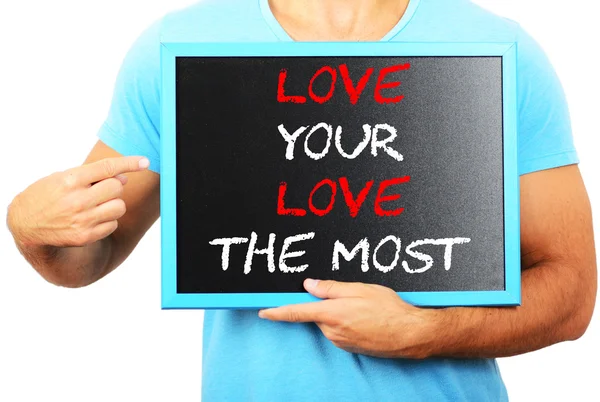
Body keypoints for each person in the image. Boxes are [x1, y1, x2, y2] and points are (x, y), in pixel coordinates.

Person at [6, 0, 597, 400]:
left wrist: (424, 332)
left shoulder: (495, 48)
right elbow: (89, 258)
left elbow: (571, 294)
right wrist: (31, 228)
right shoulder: (180, 47)